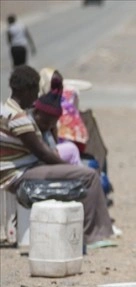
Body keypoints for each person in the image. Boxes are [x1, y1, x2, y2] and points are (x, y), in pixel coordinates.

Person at [0, 66, 113, 244]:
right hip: (20, 175)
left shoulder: (6, 110)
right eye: (35, 91)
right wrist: (70, 168)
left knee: (82, 172)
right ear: (28, 90)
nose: (37, 96)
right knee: (88, 175)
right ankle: (92, 236)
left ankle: (95, 231)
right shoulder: (18, 118)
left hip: (23, 170)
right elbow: (43, 153)